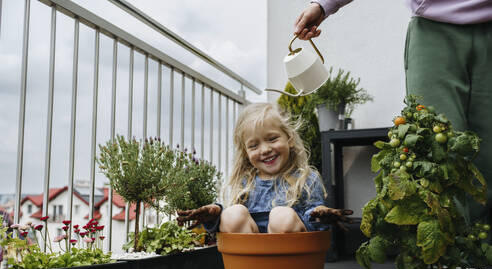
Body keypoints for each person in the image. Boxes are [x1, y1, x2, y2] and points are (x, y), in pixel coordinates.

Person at [294, 0, 492, 224]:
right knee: (438, 153)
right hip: (435, 27)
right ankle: (454, 254)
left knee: (488, 155)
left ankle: (480, 251)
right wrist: (324, 5)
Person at [177, 102, 352, 233]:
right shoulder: (246, 182)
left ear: (289, 139)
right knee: (233, 213)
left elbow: (314, 222)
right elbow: (229, 222)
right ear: (246, 153)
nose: (265, 150)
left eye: (272, 139)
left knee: (281, 216)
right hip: (254, 262)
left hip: (292, 261)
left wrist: (320, 213)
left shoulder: (305, 179)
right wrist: (216, 212)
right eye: (254, 146)